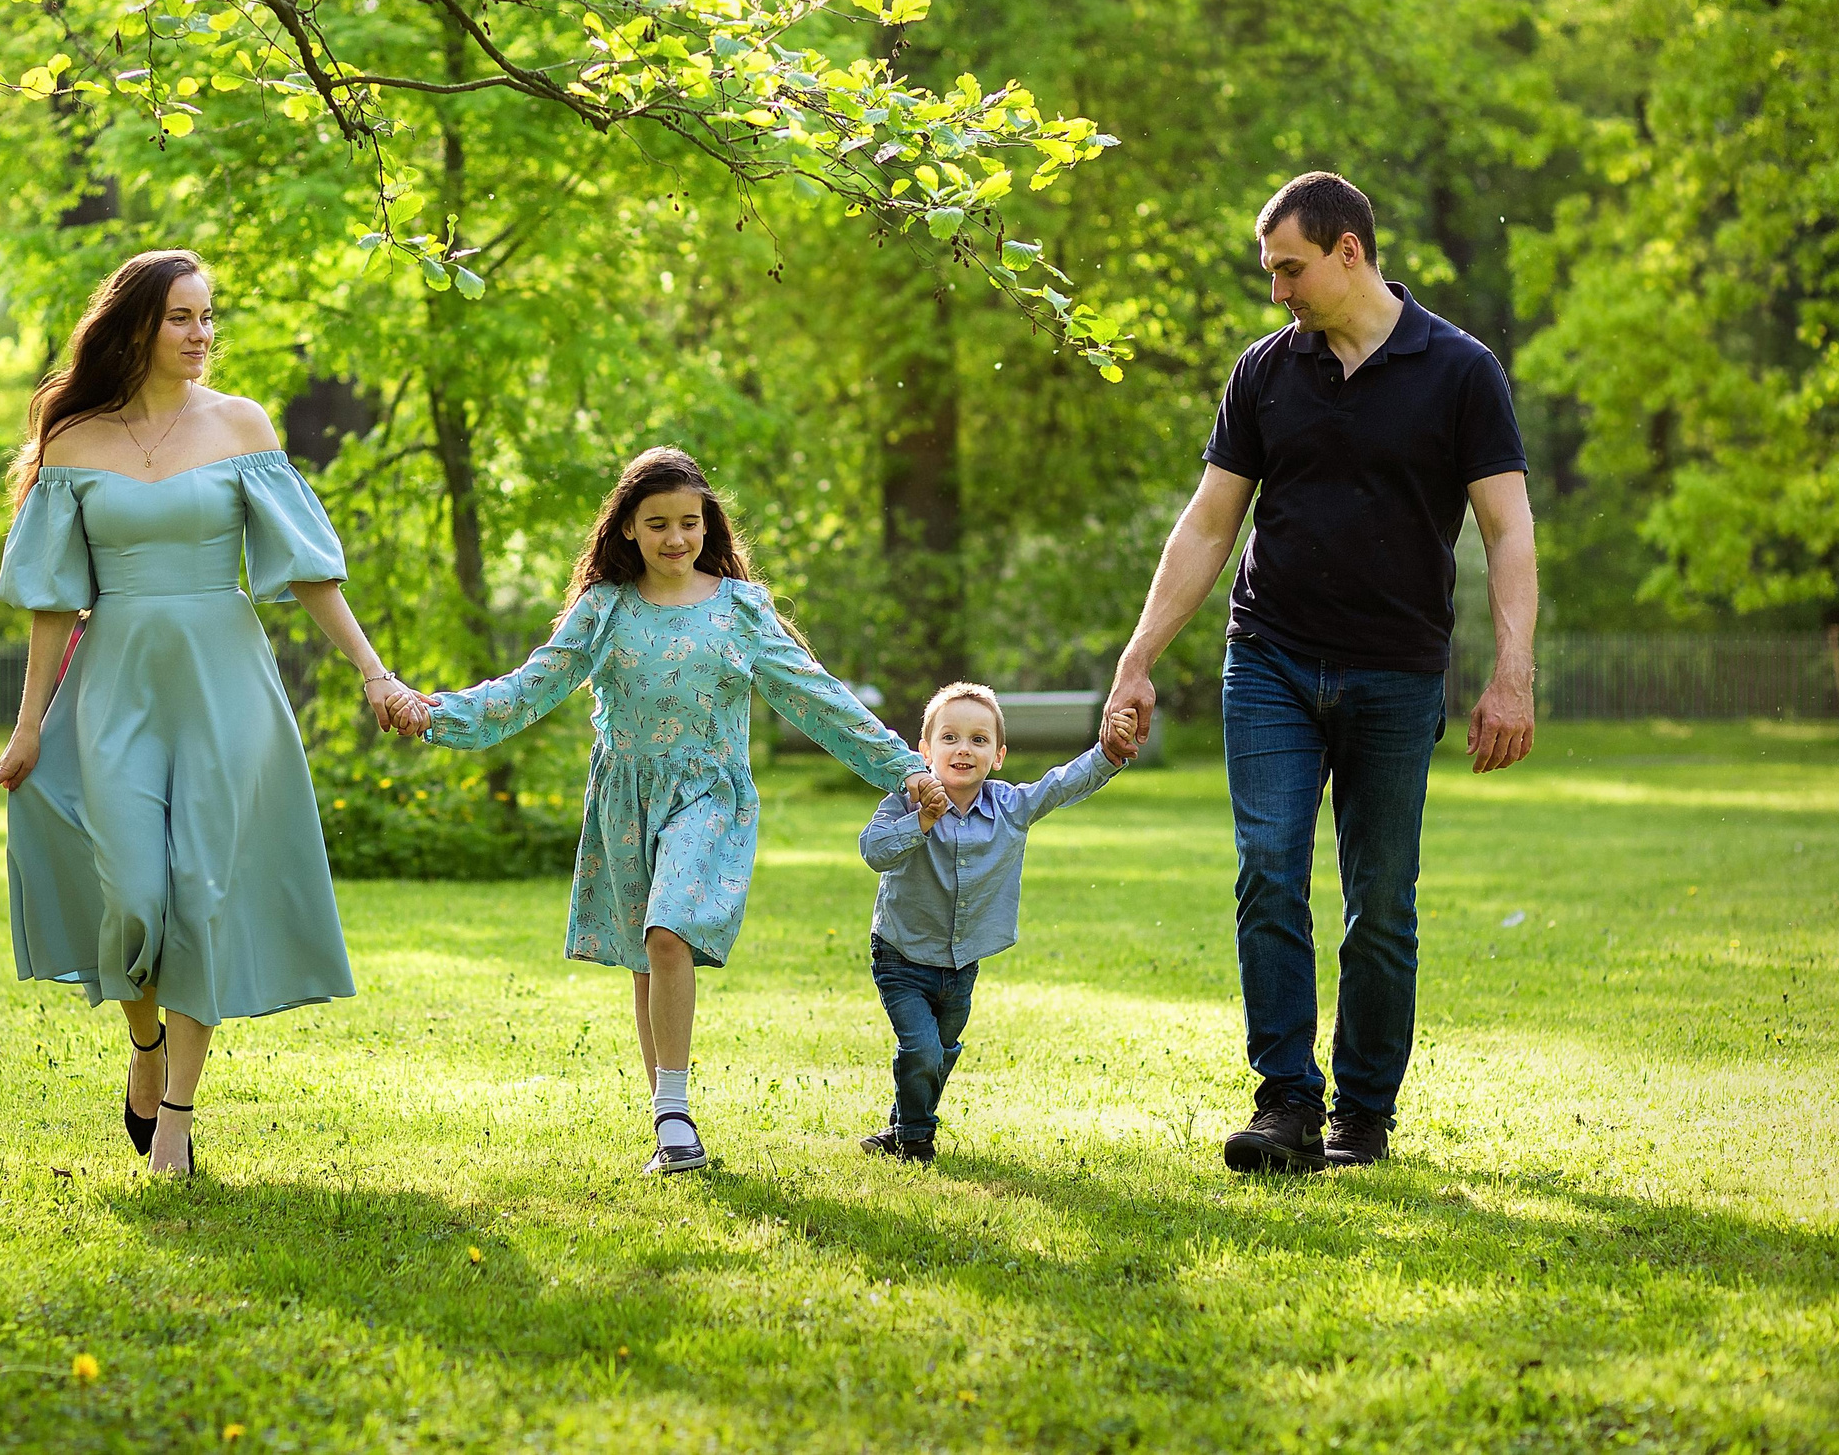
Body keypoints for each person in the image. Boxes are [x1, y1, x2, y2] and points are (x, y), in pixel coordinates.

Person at [1102, 172, 1538, 1174]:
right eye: (1270, 272)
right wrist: (1138, 658)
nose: (1278, 292)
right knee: (1267, 871)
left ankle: (1364, 1117)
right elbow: (1210, 521)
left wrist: (1511, 672)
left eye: (1290, 269)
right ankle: (1287, 1103)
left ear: (1349, 251)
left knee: (1379, 900)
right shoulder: (1265, 373)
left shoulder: (1459, 371)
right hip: (1270, 660)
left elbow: (1507, 527)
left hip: (1395, 671)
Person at [0, 249, 428, 1179]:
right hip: (113, 687)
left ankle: (177, 1120)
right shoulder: (75, 441)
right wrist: (28, 729)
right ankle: (144, 1047)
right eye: (183, 317)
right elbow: (52, 605)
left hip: (226, 687)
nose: (201, 336)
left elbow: (307, 570)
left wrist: (375, 673)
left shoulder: (239, 424)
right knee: (133, 894)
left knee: (202, 896)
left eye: (208, 317)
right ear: (137, 326)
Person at [416, 446, 951, 1175]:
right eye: (658, 523)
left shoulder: (740, 609)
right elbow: (529, 687)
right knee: (648, 955)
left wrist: (907, 768)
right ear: (628, 528)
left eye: (689, 522)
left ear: (709, 524)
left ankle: (675, 1114)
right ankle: (669, 1120)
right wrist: (433, 715)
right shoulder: (603, 608)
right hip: (626, 799)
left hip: (708, 796)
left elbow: (819, 699)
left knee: (668, 933)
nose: (676, 538)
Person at [858, 682, 1141, 1164]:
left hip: (962, 961)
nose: (963, 749)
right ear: (924, 752)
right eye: (949, 738)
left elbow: (1061, 784)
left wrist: (1108, 753)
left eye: (978, 739)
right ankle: (917, 1140)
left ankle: (901, 1127)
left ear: (999, 755)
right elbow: (874, 851)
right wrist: (922, 821)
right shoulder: (903, 802)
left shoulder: (1011, 807)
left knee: (942, 1052)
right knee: (922, 1048)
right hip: (901, 955)